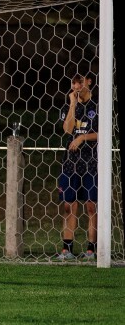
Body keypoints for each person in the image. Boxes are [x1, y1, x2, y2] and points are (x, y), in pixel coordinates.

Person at [56, 74, 99, 261]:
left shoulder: (98, 106)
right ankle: (67, 250)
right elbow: (67, 129)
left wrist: (82, 137)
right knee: (68, 206)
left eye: (80, 82)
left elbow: (102, 133)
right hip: (71, 163)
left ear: (89, 82)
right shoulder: (68, 105)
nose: (76, 86)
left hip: (92, 162)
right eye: (74, 83)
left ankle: (92, 250)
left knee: (91, 206)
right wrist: (73, 104)